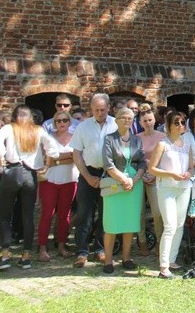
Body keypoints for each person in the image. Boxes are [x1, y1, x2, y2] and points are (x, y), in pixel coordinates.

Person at [0, 105, 55, 270]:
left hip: (11, 172)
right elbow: (52, 148)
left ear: (15, 116)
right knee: (27, 216)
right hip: (29, 174)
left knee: (6, 216)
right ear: (30, 117)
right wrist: (47, 165)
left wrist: (0, 158)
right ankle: (25, 257)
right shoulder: (38, 130)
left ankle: (5, 256)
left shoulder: (8, 128)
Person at [70, 93, 118, 267]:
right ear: (91, 109)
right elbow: (76, 154)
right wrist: (87, 176)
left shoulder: (115, 124)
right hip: (87, 172)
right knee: (84, 213)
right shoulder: (83, 127)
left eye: (103, 110)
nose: (99, 113)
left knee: (107, 214)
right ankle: (82, 252)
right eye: (96, 110)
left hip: (109, 173)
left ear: (109, 107)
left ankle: (101, 249)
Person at [149, 111, 194, 279]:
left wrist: (189, 173)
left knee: (180, 225)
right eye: (177, 123)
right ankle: (163, 265)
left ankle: (172, 259)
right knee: (169, 225)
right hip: (166, 188)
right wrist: (171, 174)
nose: (181, 126)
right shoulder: (163, 144)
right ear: (169, 125)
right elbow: (151, 169)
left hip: (183, 188)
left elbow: (191, 167)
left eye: (183, 122)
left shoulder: (187, 145)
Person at [101, 107, 146, 274]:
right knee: (112, 223)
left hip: (134, 185)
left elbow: (142, 162)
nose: (127, 121)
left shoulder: (137, 140)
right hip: (115, 183)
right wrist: (123, 179)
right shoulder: (109, 139)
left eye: (130, 118)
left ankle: (126, 257)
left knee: (129, 222)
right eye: (123, 118)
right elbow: (108, 164)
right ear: (116, 120)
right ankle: (108, 260)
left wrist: (133, 181)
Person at [38, 110, 78, 262]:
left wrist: (56, 159)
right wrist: (67, 157)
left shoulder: (75, 138)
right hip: (50, 180)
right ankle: (42, 247)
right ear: (54, 123)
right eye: (58, 121)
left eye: (65, 120)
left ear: (69, 122)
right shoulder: (48, 138)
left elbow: (76, 157)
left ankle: (61, 245)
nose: (62, 123)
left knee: (64, 215)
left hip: (70, 180)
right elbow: (46, 158)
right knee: (47, 214)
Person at [137, 106, 166, 251]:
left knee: (157, 212)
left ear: (154, 120)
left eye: (150, 120)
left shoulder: (162, 137)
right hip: (140, 177)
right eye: (145, 121)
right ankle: (142, 242)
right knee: (139, 211)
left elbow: (165, 159)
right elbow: (135, 160)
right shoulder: (137, 138)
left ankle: (161, 242)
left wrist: (155, 174)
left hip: (156, 177)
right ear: (140, 123)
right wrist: (141, 175)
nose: (148, 123)